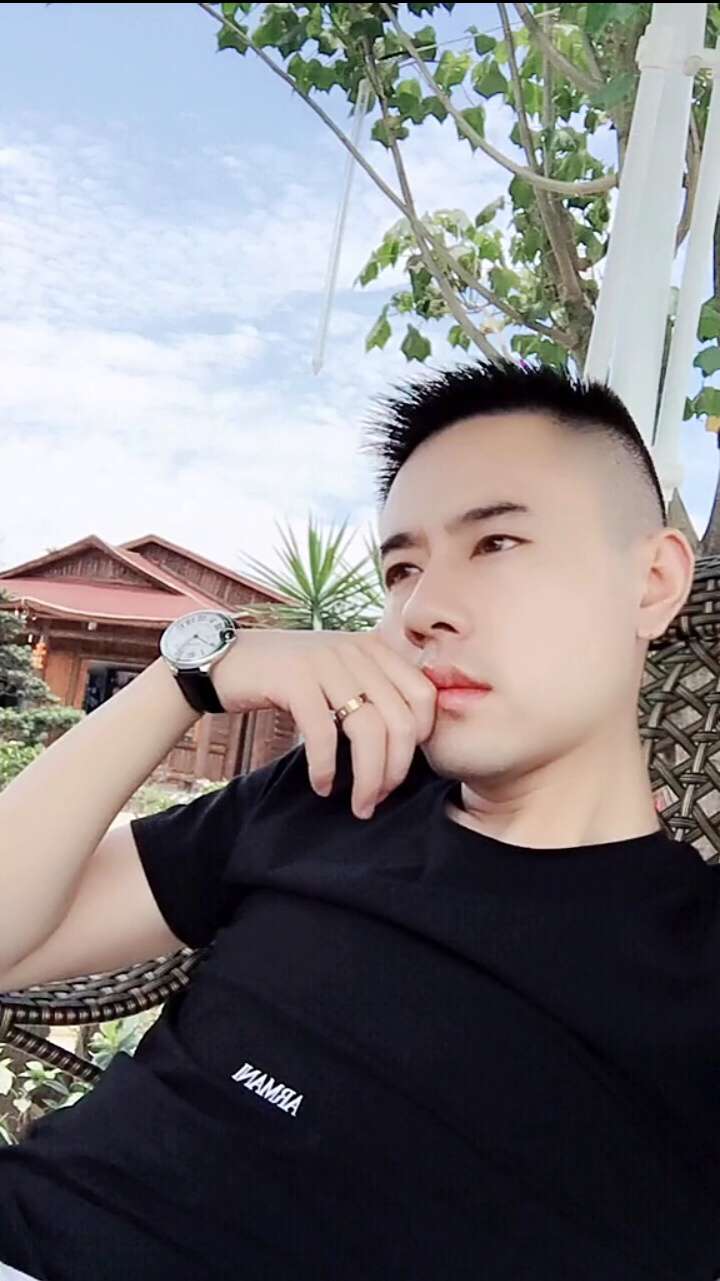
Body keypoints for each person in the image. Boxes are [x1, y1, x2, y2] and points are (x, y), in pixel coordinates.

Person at [0, 360, 717, 1281]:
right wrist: (188, 680)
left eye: (496, 542)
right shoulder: (328, 795)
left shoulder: (694, 956)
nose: (422, 610)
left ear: (653, 581)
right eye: (402, 568)